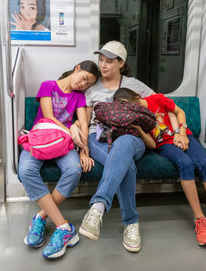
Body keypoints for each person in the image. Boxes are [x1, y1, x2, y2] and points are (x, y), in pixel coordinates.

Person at [113, 87, 206, 250]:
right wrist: (138, 129)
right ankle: (200, 220)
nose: (132, 110)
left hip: (184, 135)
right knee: (185, 164)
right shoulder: (136, 120)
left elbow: (179, 111)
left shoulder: (157, 99)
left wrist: (181, 133)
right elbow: (152, 144)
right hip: (164, 145)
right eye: (125, 109)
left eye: (131, 105)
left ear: (137, 98)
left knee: (205, 165)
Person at [70, 41, 158, 253]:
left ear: (121, 63)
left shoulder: (134, 85)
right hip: (98, 137)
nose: (103, 65)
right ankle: (131, 223)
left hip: (131, 137)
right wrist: (80, 141)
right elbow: (85, 120)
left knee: (124, 143)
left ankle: (97, 207)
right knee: (125, 165)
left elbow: (157, 103)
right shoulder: (92, 88)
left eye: (109, 61)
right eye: (101, 60)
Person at [18, 60, 99, 259]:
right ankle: (64, 227)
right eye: (84, 79)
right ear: (77, 69)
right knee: (26, 170)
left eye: (88, 84)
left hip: (64, 143)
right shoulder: (49, 86)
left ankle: (41, 217)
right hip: (43, 137)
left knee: (74, 170)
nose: (83, 84)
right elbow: (48, 118)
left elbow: (85, 124)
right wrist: (71, 128)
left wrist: (84, 150)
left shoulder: (79, 97)